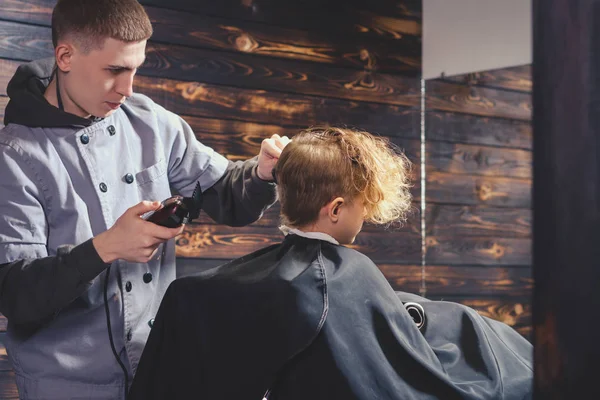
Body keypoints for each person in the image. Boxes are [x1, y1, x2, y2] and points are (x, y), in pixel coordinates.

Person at [0, 0, 289, 398]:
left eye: (135, 68)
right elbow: (16, 295)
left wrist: (260, 172)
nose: (128, 87)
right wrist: (104, 248)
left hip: (159, 367)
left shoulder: (149, 120)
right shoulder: (14, 156)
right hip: (64, 385)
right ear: (65, 56)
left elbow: (225, 194)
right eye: (114, 70)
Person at [128, 126, 533, 400]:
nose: (367, 216)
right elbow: (397, 378)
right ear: (337, 208)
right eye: (363, 206)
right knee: (483, 339)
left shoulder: (211, 287)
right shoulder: (346, 277)